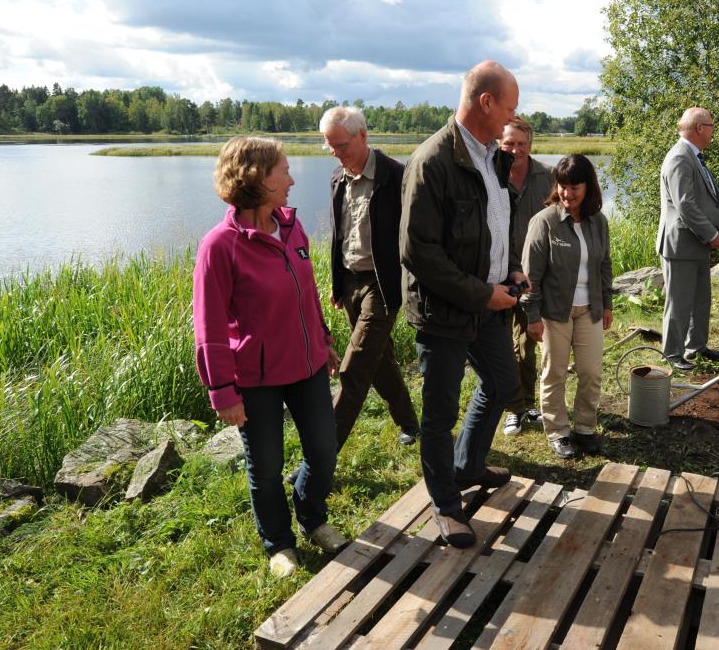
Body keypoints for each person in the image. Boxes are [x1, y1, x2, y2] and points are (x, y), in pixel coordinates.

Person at [192, 137, 347, 579]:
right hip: (255, 378)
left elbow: (307, 294)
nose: (292, 179)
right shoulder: (219, 245)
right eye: (284, 171)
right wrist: (222, 390)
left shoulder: (292, 227)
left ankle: (312, 516)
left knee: (324, 451)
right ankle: (279, 543)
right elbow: (209, 326)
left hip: (308, 365)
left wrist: (323, 339)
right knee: (266, 465)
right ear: (257, 178)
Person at [400, 60, 526, 549]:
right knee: (438, 413)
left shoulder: (492, 156)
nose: (513, 117)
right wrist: (482, 292)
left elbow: (494, 226)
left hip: (488, 300)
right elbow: (418, 252)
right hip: (446, 311)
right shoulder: (433, 162)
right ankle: (446, 506)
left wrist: (510, 270)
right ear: (486, 102)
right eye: (509, 106)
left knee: (502, 383)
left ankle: (468, 465)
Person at [322, 106, 420, 453]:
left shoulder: (397, 176)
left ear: (363, 136)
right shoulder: (337, 177)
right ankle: (410, 423)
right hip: (350, 283)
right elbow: (339, 234)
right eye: (329, 146)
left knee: (356, 366)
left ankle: (322, 453)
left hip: (383, 284)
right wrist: (336, 283)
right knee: (379, 360)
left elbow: (415, 235)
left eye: (341, 145)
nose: (335, 152)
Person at [522, 155, 613, 459]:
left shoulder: (598, 222)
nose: (567, 193)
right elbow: (530, 277)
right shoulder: (544, 222)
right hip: (554, 313)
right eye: (562, 186)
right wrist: (531, 316)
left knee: (590, 372)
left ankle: (585, 428)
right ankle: (558, 432)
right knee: (555, 373)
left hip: (590, 310)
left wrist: (608, 304)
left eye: (575, 186)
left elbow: (604, 266)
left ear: (589, 187)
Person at [656, 107, 719, 371]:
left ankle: (696, 346)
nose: (713, 131)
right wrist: (712, 234)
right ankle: (672, 353)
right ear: (699, 128)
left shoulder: (695, 156)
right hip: (681, 245)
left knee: (700, 300)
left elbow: (700, 200)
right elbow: (685, 205)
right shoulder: (680, 158)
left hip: (695, 245)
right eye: (711, 126)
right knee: (679, 303)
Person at [499, 117, 553, 437]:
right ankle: (511, 407)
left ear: (530, 144)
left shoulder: (547, 176)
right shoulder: (489, 176)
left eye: (521, 143)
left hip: (534, 273)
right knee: (499, 343)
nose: (515, 150)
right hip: (497, 271)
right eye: (509, 143)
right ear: (499, 144)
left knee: (527, 340)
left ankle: (525, 406)